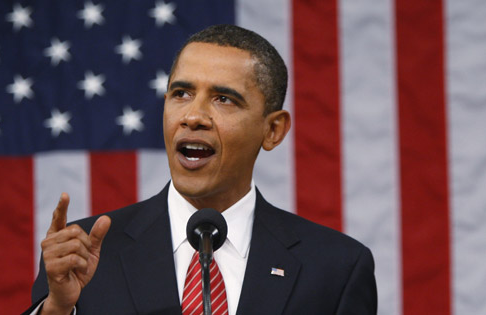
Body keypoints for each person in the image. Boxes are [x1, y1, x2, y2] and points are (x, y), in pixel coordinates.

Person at [24, 24, 377, 315]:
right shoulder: (83, 254)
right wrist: (56, 308)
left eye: (223, 99)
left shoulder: (336, 268)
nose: (192, 116)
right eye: (181, 93)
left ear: (272, 130)